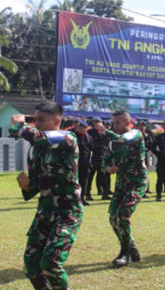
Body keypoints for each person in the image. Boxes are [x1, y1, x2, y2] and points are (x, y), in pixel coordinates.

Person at [9, 101, 84, 290]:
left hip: (67, 212)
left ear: (57, 120)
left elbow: (37, 136)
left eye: (41, 120)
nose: (37, 123)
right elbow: (36, 186)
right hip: (45, 211)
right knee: (31, 265)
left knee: (50, 264)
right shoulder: (37, 150)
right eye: (34, 120)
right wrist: (26, 186)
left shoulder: (68, 138)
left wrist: (20, 124)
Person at [97, 110, 148, 267]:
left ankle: (125, 253)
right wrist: (108, 169)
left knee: (123, 213)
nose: (115, 126)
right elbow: (103, 162)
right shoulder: (113, 142)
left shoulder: (135, 135)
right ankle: (132, 250)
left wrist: (104, 131)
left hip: (137, 182)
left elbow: (123, 140)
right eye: (113, 123)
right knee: (113, 217)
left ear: (128, 123)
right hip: (121, 185)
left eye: (118, 123)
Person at [86, 116, 110, 200]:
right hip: (93, 157)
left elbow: (108, 143)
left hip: (103, 156)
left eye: (98, 122)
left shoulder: (105, 132)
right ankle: (88, 194)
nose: (96, 124)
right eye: (95, 122)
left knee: (104, 176)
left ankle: (105, 194)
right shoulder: (90, 132)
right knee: (90, 176)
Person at [72, 118, 94, 205]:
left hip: (85, 163)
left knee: (84, 181)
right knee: (73, 182)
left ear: (86, 128)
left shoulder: (89, 138)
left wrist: (90, 162)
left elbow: (91, 150)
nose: (81, 129)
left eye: (83, 127)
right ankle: (73, 199)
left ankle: (82, 198)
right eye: (80, 127)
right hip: (75, 162)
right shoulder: (73, 136)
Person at [137, 119, 153, 196]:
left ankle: (146, 188)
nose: (141, 127)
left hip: (145, 155)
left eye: (143, 125)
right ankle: (140, 190)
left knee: (145, 172)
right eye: (140, 125)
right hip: (137, 155)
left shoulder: (147, 136)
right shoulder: (135, 136)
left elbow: (150, 145)